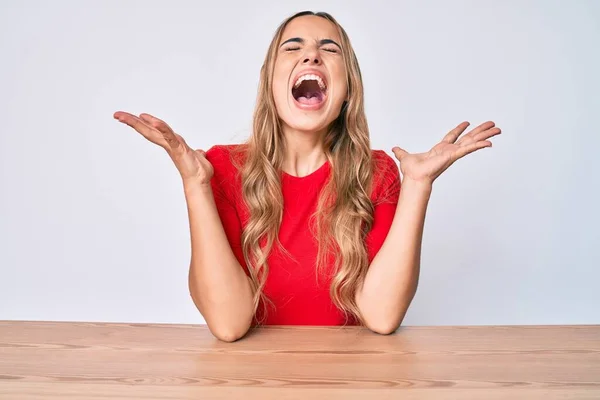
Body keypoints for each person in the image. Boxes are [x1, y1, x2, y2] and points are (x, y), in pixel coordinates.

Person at [113, 10, 501, 342]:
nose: (311, 56)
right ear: (270, 81)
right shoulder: (221, 169)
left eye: (329, 50)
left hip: (349, 384)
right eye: (293, 47)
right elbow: (228, 325)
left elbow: (382, 318)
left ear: (348, 87)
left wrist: (418, 186)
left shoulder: (378, 172)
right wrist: (196, 185)